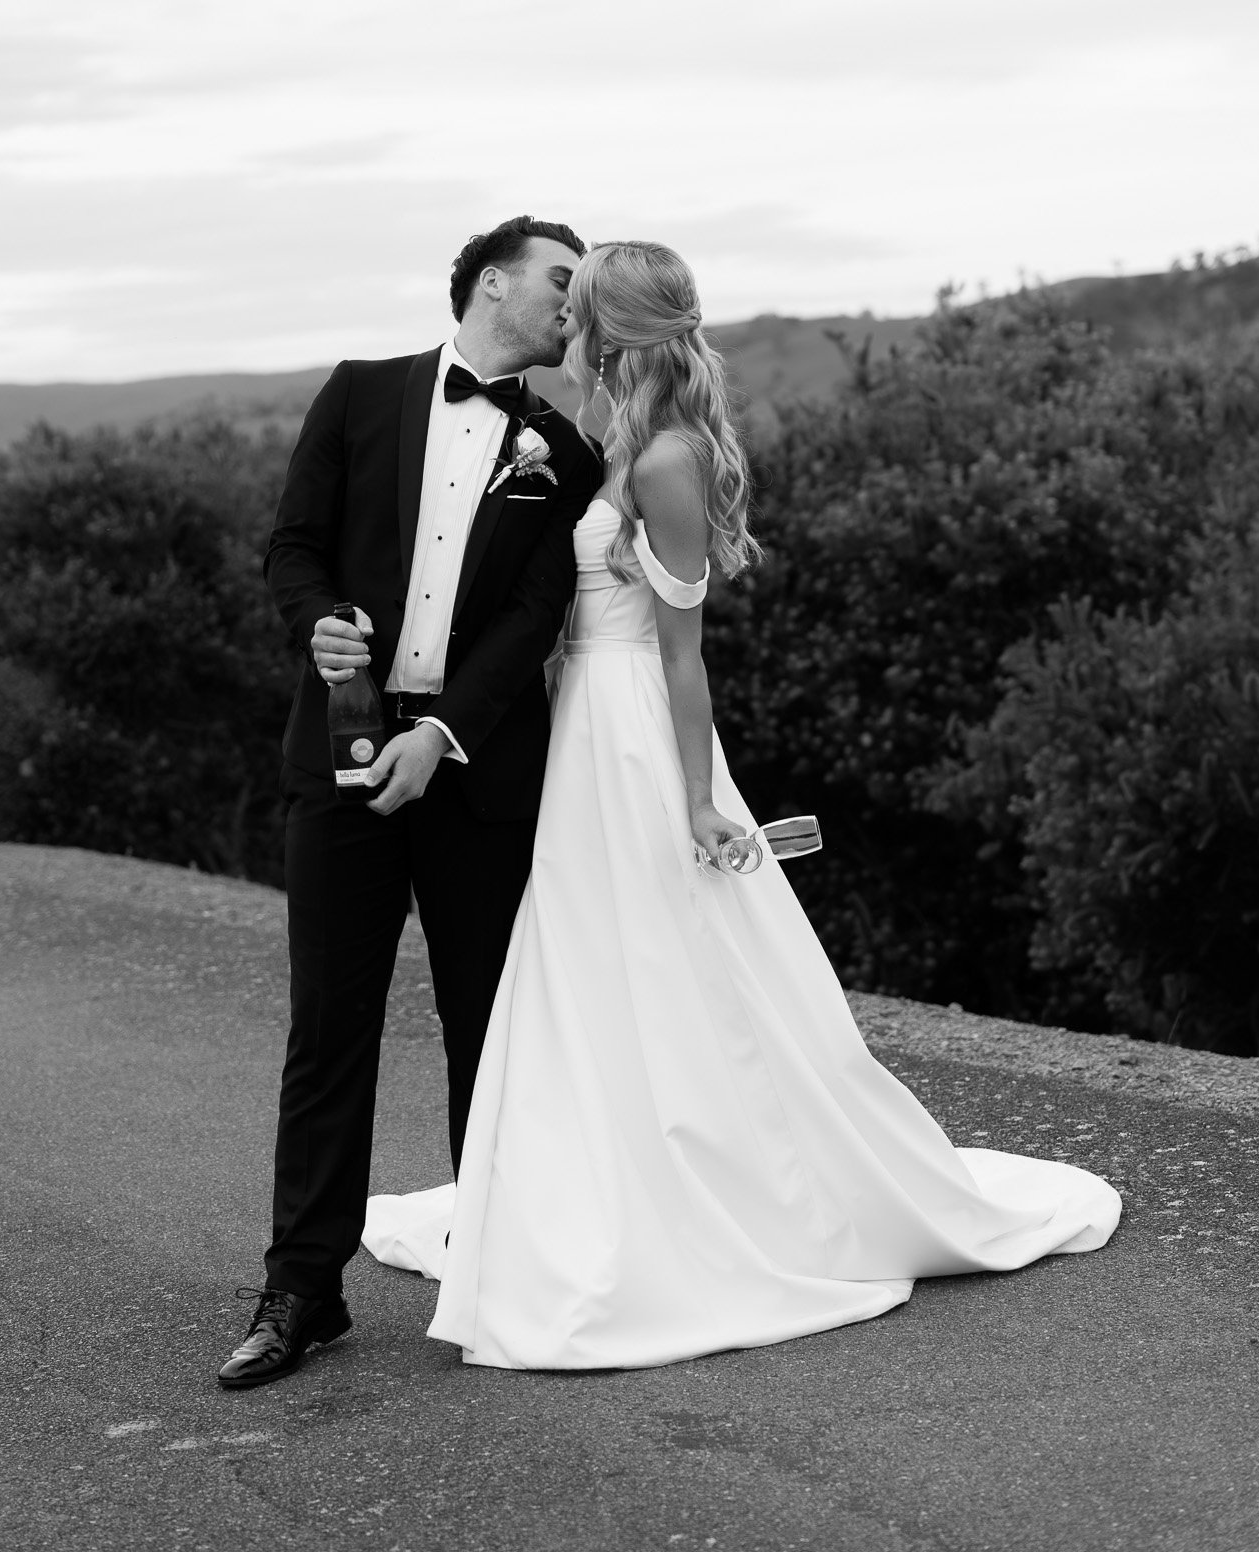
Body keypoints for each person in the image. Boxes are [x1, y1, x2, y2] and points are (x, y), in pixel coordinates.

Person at [363, 239, 1121, 1369]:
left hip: (627, 737)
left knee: (655, 957)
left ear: (609, 329)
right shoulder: (607, 435)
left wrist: (696, 798)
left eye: (579, 303)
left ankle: (696, 1192)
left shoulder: (666, 457)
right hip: (578, 726)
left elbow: (683, 657)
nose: (562, 315)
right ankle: (580, 1177)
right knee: (582, 960)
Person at [218, 216, 602, 1389]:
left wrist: (440, 734)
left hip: (475, 775)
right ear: (493, 281)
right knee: (329, 1026)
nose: (571, 307)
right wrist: (315, 618)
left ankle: (496, 1275)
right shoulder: (361, 392)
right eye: (559, 283)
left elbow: (531, 621)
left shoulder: (566, 454)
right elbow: (291, 546)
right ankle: (302, 1291)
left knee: (490, 1029)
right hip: (338, 763)